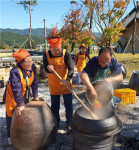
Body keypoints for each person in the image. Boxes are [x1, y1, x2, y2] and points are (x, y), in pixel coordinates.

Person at [3, 49, 40, 145]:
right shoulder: (15, 72)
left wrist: (35, 96)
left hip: (23, 94)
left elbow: (35, 83)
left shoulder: (33, 69)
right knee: (11, 115)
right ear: (20, 63)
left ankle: (21, 133)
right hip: (11, 96)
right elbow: (16, 89)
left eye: (31, 61)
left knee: (22, 114)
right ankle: (10, 136)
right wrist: (19, 103)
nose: (30, 63)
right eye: (27, 62)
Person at [43, 28, 74, 129]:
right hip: (54, 85)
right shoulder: (46, 55)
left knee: (69, 105)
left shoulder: (66, 54)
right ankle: (56, 122)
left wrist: (68, 79)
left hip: (66, 84)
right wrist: (48, 69)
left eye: (58, 50)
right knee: (55, 106)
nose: (57, 52)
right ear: (50, 48)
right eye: (54, 50)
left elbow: (71, 68)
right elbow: (45, 68)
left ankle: (69, 123)